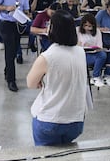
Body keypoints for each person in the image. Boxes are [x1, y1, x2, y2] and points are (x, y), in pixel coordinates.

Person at [26, 10, 89, 146]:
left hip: (50, 120)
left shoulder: (47, 57)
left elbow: (31, 83)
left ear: (52, 29)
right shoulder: (80, 52)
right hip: (76, 120)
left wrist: (41, 81)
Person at [77, 14, 110, 87]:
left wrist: (96, 49)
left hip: (96, 52)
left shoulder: (97, 31)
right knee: (102, 55)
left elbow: (100, 45)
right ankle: (95, 77)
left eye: (90, 26)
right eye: (85, 26)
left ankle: (106, 76)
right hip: (84, 55)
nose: (87, 28)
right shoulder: (77, 30)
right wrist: (82, 45)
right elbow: (75, 46)